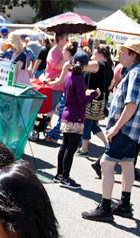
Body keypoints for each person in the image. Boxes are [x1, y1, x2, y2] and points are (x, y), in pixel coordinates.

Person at [82, 39, 140, 222]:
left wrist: (116, 128)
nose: (120, 54)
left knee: (106, 165)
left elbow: (131, 104)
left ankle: (106, 207)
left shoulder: (136, 74)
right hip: (132, 130)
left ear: (133, 54)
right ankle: (124, 204)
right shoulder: (137, 72)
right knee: (127, 164)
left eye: (124, 52)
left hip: (125, 129)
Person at [54, 51, 100, 189]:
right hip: (76, 116)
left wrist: (87, 93)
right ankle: (65, 178)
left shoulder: (69, 75)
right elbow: (82, 101)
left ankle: (59, 175)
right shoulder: (79, 78)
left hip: (66, 114)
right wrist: (94, 94)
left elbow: (74, 95)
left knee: (64, 146)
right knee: (71, 148)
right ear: (85, 66)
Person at [77, 46, 114, 156]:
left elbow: (83, 67)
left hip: (92, 99)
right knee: (92, 125)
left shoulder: (98, 65)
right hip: (100, 99)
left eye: (95, 54)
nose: (92, 56)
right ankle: (108, 144)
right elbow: (110, 85)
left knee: (87, 124)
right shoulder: (109, 67)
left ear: (101, 55)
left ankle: (84, 149)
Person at [44, 33, 70, 143]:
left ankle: (48, 129)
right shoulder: (54, 51)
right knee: (51, 108)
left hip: (60, 85)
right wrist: (66, 58)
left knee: (56, 110)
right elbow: (58, 66)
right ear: (60, 39)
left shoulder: (60, 51)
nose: (68, 40)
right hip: (54, 84)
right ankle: (45, 127)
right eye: (66, 38)